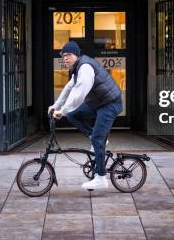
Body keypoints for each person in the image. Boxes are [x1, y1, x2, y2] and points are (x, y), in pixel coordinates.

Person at [48, 41, 123, 190]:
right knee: (73, 115)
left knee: (97, 139)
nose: (66, 59)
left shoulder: (85, 68)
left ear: (77, 55)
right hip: (98, 102)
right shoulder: (77, 68)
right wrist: (56, 105)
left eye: (68, 55)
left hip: (109, 104)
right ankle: (96, 138)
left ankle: (101, 178)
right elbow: (69, 87)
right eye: (63, 56)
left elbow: (79, 93)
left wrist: (62, 111)